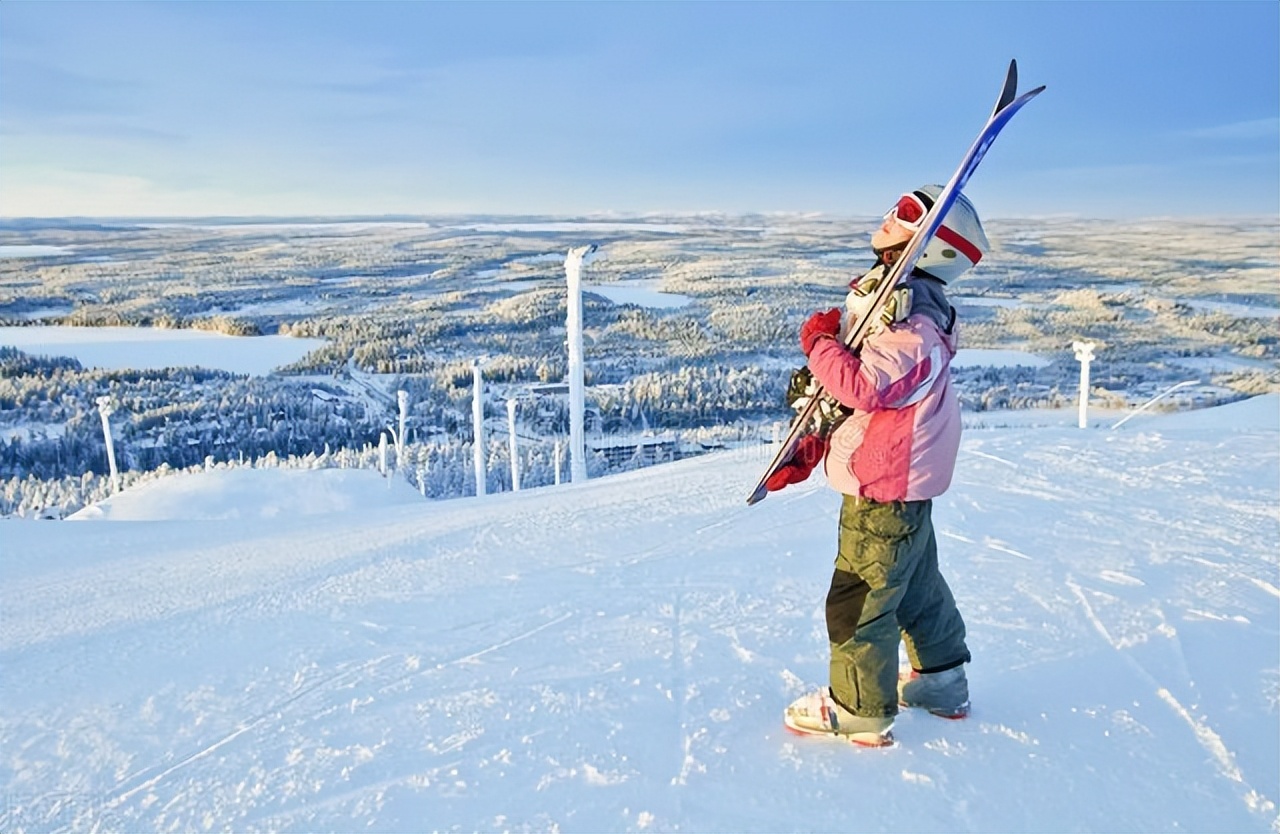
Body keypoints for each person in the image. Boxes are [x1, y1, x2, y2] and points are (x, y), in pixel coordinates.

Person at [767, 185, 987, 746]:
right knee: (913, 585)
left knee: (858, 597)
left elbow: (866, 386)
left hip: (883, 487)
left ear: (932, 245)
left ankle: (858, 709)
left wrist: (818, 344)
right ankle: (941, 682)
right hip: (902, 483)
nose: (891, 219)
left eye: (908, 214)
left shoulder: (915, 330)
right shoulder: (913, 315)